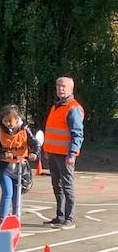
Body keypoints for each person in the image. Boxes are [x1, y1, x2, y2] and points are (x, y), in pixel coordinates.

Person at [43, 76, 84, 230]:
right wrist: (47, 150)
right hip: (53, 153)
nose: (60, 88)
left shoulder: (73, 108)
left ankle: (70, 218)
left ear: (71, 89)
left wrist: (72, 153)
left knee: (67, 186)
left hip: (65, 155)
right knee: (56, 185)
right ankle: (60, 216)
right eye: (58, 85)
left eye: (64, 86)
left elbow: (77, 134)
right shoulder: (56, 106)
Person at [0, 104, 40, 223]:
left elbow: (35, 144)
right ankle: (3, 220)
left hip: (20, 169)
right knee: (8, 193)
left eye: (10, 121)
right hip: (5, 168)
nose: (8, 124)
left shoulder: (25, 129)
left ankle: (17, 220)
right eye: (5, 121)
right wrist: (2, 154)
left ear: (17, 119)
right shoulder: (0, 130)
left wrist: (35, 154)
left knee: (17, 196)